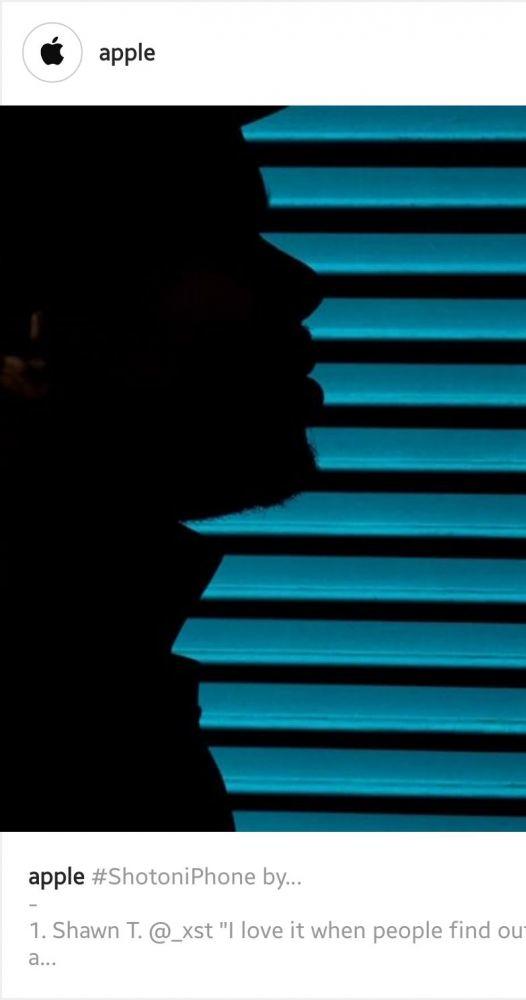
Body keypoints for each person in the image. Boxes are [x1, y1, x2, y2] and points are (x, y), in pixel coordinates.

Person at [0, 108, 323, 830]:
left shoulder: (98, 687)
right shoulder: (66, 739)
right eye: (215, 240)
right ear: (28, 328)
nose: (300, 283)